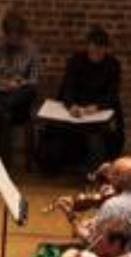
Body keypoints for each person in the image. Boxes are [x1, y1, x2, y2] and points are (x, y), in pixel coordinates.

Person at [41, 27, 122, 178]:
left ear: (105, 50)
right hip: (75, 108)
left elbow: (112, 95)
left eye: (99, 52)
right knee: (56, 131)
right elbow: (67, 87)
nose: (95, 55)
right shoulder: (76, 60)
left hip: (97, 110)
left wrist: (96, 107)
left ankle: (92, 171)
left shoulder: (113, 65)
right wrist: (71, 105)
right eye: (92, 51)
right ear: (87, 47)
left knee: (97, 137)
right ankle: (55, 168)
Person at [0, 11, 40, 166]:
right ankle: (3, 168)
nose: (14, 41)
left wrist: (20, 83)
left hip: (20, 98)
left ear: (23, 35)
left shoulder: (31, 49)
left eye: (17, 38)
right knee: (4, 116)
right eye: (10, 37)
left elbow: (34, 79)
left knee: (30, 90)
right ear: (5, 35)